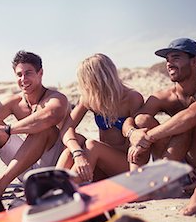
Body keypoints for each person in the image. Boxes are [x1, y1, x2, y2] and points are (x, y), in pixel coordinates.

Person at [0, 50, 69, 195]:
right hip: (24, 166)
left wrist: (7, 129)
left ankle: (0, 184)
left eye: (28, 73)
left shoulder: (56, 98)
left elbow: (51, 115)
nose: (23, 79)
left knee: (43, 129)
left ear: (40, 73)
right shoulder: (16, 101)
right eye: (19, 75)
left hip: (56, 164)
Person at [122, 38, 196, 215]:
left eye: (175, 58)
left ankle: (192, 191)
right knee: (142, 121)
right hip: (175, 162)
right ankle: (139, 184)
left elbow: (192, 115)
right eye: (167, 59)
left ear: (195, 61)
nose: (169, 63)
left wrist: (149, 137)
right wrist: (132, 133)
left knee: (187, 123)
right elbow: (132, 119)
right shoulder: (164, 96)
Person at [56, 53, 144, 183]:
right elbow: (66, 128)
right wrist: (77, 152)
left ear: (97, 79)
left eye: (85, 81)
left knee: (91, 145)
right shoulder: (90, 99)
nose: (84, 86)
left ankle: (61, 189)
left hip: (127, 165)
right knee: (75, 143)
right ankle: (52, 184)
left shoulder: (132, 98)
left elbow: (138, 140)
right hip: (101, 164)